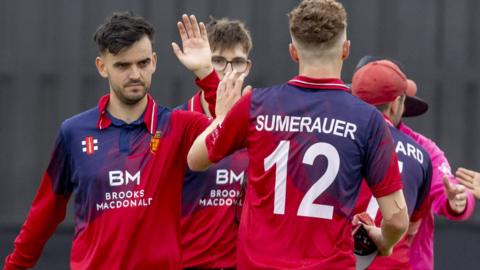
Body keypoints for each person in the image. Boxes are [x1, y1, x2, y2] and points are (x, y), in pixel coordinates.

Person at [3, 12, 243, 270]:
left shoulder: (178, 126)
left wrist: (206, 71)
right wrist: (14, 266)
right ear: (102, 66)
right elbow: (44, 214)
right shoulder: (74, 132)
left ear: (154, 62)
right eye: (122, 65)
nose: (135, 74)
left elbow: (232, 133)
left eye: (142, 63)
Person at [187, 0, 409, 269]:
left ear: (293, 52)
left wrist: (222, 117)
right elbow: (397, 220)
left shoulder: (255, 105)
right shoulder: (368, 119)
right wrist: (385, 241)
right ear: (346, 51)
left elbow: (195, 160)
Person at [354, 55, 475, 270]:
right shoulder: (419, 151)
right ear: (397, 103)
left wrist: (459, 202)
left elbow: (449, 190)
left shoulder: (425, 148)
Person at [173, 16, 252, 269]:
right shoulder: (178, 123)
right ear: (205, 63)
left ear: (247, 67)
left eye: (237, 62)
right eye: (218, 61)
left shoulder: (259, 123)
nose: (228, 71)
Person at [351, 59, 433, 270]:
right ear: (397, 102)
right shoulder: (421, 156)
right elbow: (410, 229)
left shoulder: (334, 137)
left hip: (333, 260)